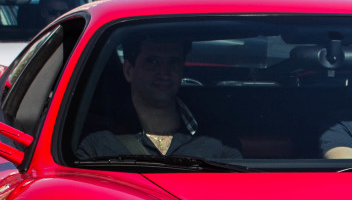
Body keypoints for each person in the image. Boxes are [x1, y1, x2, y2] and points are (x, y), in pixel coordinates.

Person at [76, 36, 241, 162]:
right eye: (153, 62)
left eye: (173, 62)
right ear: (128, 71)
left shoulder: (217, 135)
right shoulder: (97, 139)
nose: (165, 72)